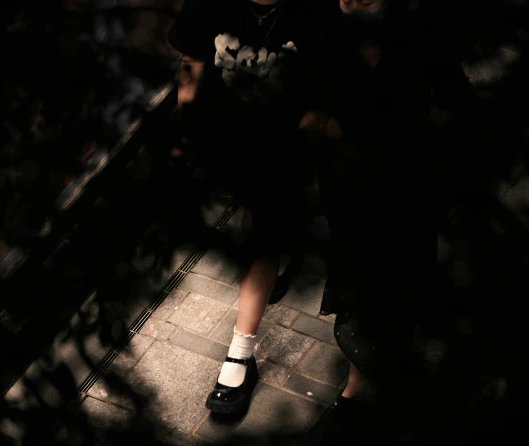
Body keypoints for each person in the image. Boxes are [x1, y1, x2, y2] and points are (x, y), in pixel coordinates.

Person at [167, 0, 332, 414]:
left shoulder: (316, 10)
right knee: (255, 216)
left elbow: (329, 88)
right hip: (227, 135)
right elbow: (192, 61)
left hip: (286, 141)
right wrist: (183, 128)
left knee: (262, 230)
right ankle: (286, 239)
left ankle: (240, 352)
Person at [314, 0, 475, 403]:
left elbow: (458, 99)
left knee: (403, 267)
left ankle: (383, 369)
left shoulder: (417, 24)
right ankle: (362, 377)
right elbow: (294, 95)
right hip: (349, 185)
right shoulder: (319, 25)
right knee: (360, 269)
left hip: (409, 181)